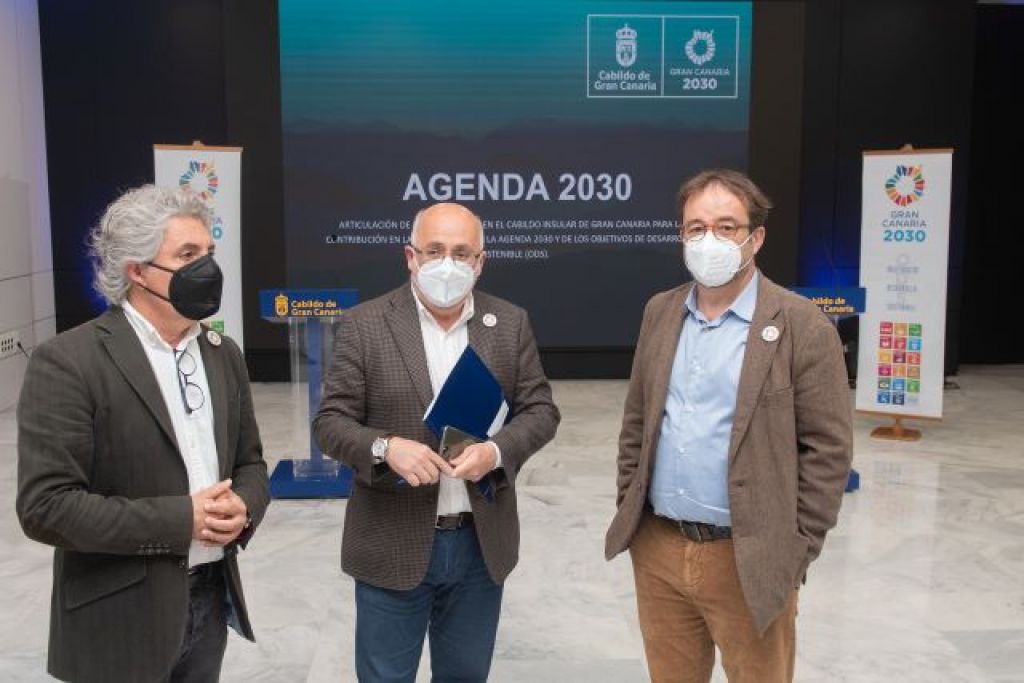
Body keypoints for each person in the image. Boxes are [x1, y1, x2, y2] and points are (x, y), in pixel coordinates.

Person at [605, 169, 853, 682]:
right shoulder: (660, 312)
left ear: (755, 238)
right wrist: (632, 499)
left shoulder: (802, 325)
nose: (709, 240)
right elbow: (638, 420)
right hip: (659, 549)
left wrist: (793, 549)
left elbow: (828, 450)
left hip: (749, 558)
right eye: (696, 228)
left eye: (726, 227)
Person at [16, 185, 270, 683]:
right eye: (188, 255)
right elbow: (46, 507)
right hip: (118, 616)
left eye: (209, 252)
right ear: (136, 270)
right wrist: (182, 518)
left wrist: (245, 505)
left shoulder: (223, 354)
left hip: (210, 603)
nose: (207, 268)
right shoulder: (68, 362)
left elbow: (251, 463)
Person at [314, 202, 560, 682]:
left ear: (480, 262)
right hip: (392, 541)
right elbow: (330, 423)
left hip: (478, 546)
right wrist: (386, 448)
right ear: (411, 257)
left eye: (462, 253)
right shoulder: (366, 324)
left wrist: (495, 451)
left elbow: (540, 411)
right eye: (434, 250)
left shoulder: (509, 323)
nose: (448, 264)